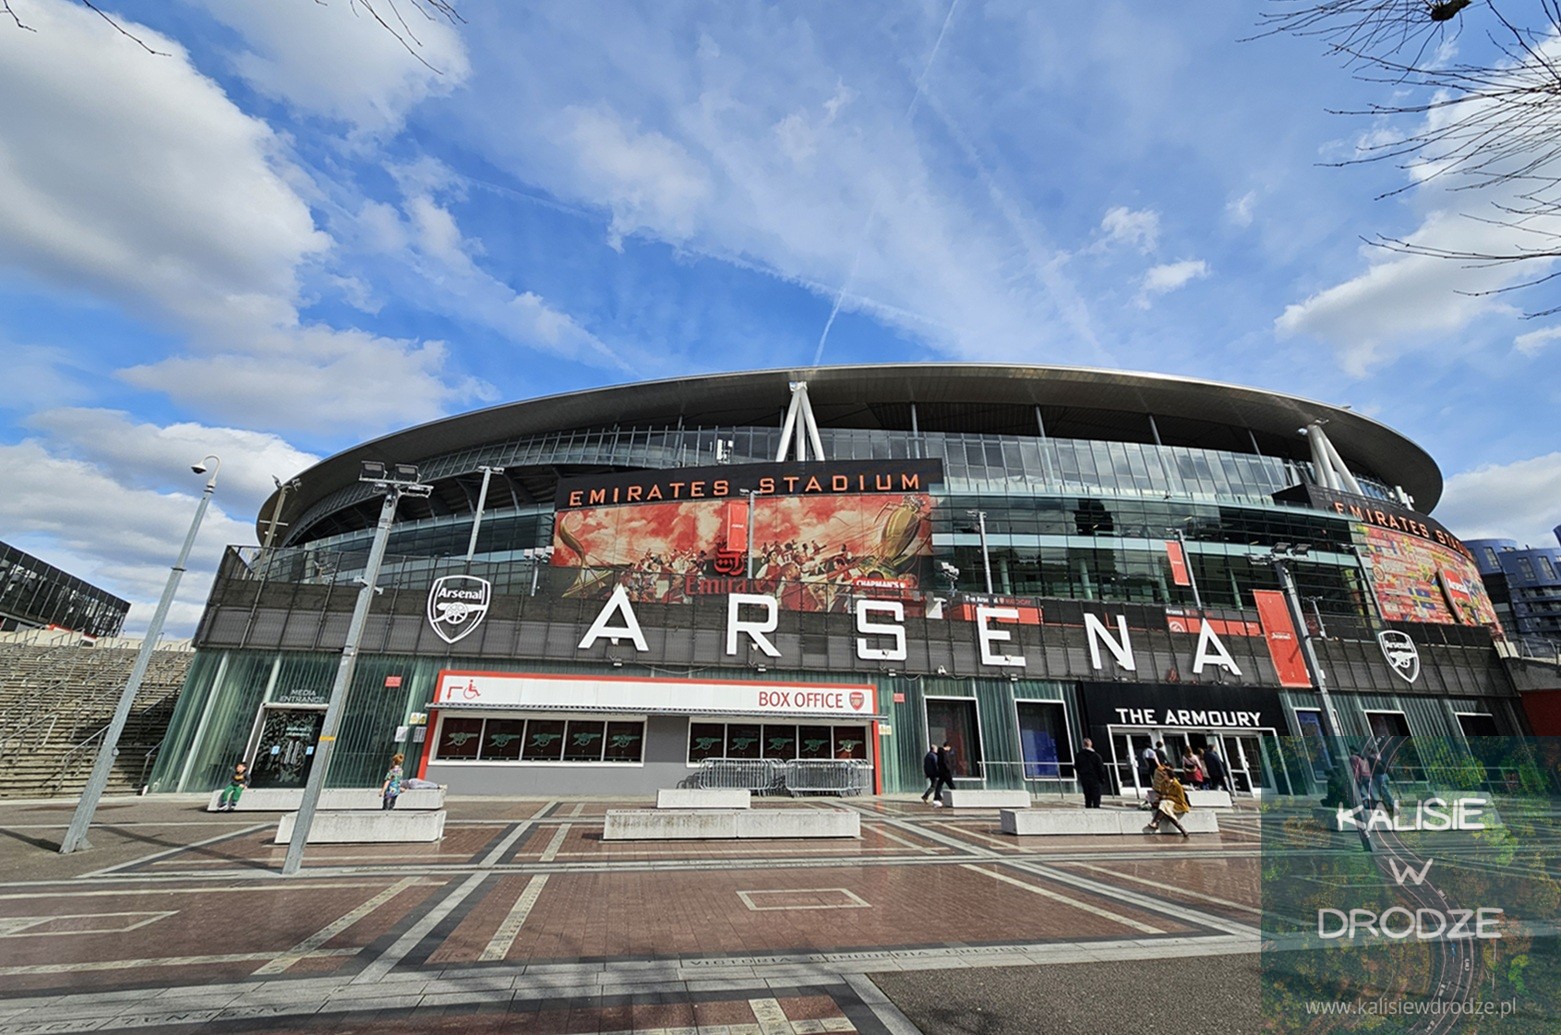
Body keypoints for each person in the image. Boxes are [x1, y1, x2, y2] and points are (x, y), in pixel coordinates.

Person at [1145, 764, 1191, 838]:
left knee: (1164, 804)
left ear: (1169, 775)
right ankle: (1182, 830)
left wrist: (1166, 797)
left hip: (1178, 805)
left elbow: (1181, 800)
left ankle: (1156, 822)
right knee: (1165, 807)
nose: (1163, 776)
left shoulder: (1177, 786)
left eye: (1165, 774)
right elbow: (1163, 795)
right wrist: (1157, 798)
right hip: (1167, 804)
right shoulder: (1163, 784)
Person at [1076, 738, 1108, 808]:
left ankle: (1088, 807)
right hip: (1095, 778)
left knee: (1087, 795)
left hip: (1085, 777)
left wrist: (1081, 774)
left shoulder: (1079, 755)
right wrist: (1102, 778)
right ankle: (1096, 807)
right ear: (1091, 744)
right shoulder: (1096, 756)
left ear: (1083, 745)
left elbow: (1077, 766)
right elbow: (1101, 769)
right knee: (1096, 795)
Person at [1368, 749, 1395, 815]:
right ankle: (1389, 804)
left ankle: (1390, 804)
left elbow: (1374, 767)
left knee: (1383, 791)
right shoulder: (1378, 758)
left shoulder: (1371, 759)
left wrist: (1373, 775)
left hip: (1379, 776)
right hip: (1384, 775)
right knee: (1385, 790)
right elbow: (1385, 765)